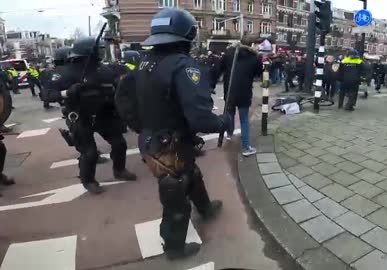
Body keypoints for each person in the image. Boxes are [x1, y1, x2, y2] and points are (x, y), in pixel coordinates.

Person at [115, 8, 228, 260]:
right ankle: (174, 247)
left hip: (153, 140)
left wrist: (142, 127)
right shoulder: (184, 66)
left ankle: (206, 208)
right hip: (171, 144)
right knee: (174, 191)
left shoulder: (142, 64)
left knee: (190, 173)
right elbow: (200, 118)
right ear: (187, 35)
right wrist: (223, 121)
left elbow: (122, 100)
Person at [46, 38, 136, 194]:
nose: (101, 52)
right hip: (81, 116)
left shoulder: (105, 70)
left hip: (104, 114)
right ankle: (88, 180)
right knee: (90, 152)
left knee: (119, 143)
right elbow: (47, 95)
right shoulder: (67, 72)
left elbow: (120, 84)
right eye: (98, 50)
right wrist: (66, 92)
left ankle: (119, 170)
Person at [213, 42, 262, 156]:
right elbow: (258, 73)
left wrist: (212, 84)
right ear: (251, 45)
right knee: (244, 119)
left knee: (230, 114)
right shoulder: (254, 57)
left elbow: (218, 69)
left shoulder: (229, 53)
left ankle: (229, 134)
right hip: (244, 92)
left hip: (230, 91)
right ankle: (246, 147)